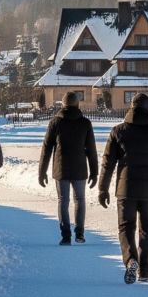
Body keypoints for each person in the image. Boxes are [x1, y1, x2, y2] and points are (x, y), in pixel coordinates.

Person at [97, 92, 148, 284]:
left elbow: (108, 163)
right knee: (147, 230)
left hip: (126, 188)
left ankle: (130, 260)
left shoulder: (118, 131)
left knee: (126, 227)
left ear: (131, 108)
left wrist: (103, 188)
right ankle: (145, 271)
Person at [38, 91, 99, 244]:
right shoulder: (85, 123)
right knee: (80, 200)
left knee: (63, 201)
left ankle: (66, 236)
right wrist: (94, 172)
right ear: (77, 104)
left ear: (63, 104)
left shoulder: (55, 122)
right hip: (80, 168)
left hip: (61, 168)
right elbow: (91, 150)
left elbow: (46, 149)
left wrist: (42, 172)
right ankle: (79, 234)